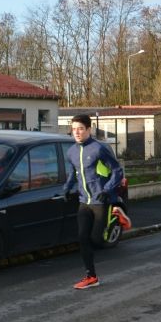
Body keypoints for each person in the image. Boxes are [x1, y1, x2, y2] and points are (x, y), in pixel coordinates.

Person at [63, 113, 126, 290]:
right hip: (84, 201)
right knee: (83, 238)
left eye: (80, 129)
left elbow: (117, 171)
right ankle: (91, 277)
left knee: (97, 241)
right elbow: (72, 173)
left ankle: (116, 217)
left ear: (89, 129)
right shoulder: (71, 152)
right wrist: (67, 188)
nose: (77, 132)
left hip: (100, 200)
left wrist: (107, 190)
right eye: (74, 129)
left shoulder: (99, 148)